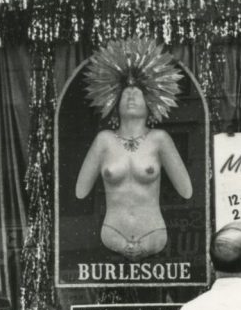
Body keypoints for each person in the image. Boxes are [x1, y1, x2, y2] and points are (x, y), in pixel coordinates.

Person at [76, 38, 193, 259]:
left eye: (138, 93)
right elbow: (80, 192)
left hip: (154, 234)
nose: (131, 96)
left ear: (151, 104)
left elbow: (186, 190)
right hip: (112, 233)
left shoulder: (159, 139)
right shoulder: (104, 140)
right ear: (114, 103)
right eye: (125, 94)